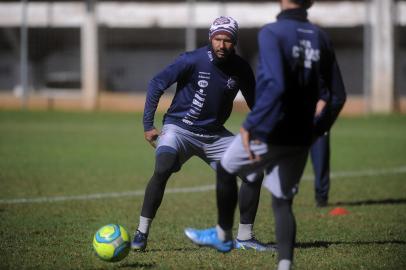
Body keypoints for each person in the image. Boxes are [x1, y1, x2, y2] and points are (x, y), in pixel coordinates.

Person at [184, 1, 346, 269]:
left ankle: (223, 235)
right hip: (301, 136)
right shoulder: (321, 37)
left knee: (226, 168)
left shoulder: (273, 33)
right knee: (282, 202)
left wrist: (250, 126)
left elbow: (275, 85)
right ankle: (284, 265)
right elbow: (338, 96)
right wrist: (315, 131)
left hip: (271, 130)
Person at [131, 16, 273, 252]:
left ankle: (245, 238)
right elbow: (157, 83)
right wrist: (148, 125)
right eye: (217, 39)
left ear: (234, 42)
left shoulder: (240, 68)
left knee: (254, 174)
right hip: (180, 129)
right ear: (210, 38)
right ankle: (141, 232)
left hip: (215, 136)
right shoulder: (191, 59)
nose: (222, 45)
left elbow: (256, 103)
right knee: (163, 167)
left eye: (227, 40)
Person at [311, 98, 330, 207]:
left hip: (319, 122)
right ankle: (283, 195)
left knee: (320, 160)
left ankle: (321, 197)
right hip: (296, 117)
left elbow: (338, 97)